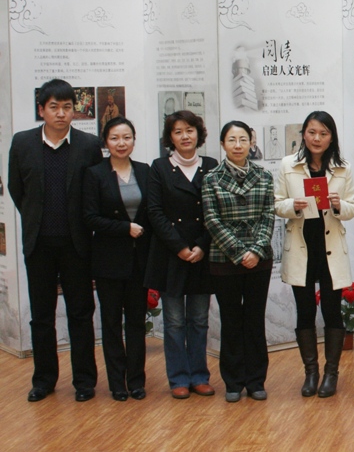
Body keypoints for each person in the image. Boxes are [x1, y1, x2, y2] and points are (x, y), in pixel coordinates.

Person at [8, 79, 103, 403]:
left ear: (74, 111)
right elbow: (17, 189)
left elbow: (95, 192)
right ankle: (44, 380)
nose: (61, 113)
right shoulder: (23, 143)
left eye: (67, 107)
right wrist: (36, 218)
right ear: (41, 110)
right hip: (39, 244)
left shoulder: (88, 145)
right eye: (54, 107)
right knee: (41, 316)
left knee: (81, 313)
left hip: (77, 244)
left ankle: (84, 381)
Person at [275, 111, 354, 398]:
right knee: (305, 311)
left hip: (330, 249)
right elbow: (277, 204)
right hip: (302, 247)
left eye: (323, 133)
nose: (317, 138)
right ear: (304, 135)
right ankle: (311, 373)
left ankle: (331, 373)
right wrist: (293, 205)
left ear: (331, 137)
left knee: (332, 311)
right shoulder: (288, 165)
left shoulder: (343, 168)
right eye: (312, 132)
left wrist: (338, 205)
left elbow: (353, 208)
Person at [145, 110, 217, 400]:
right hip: (170, 255)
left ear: (199, 134)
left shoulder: (210, 166)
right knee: (174, 322)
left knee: (199, 320)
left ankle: (199, 376)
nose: (185, 136)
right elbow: (154, 212)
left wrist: (201, 246)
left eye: (190, 130)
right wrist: (180, 247)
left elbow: (215, 210)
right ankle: (178, 378)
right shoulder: (159, 167)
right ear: (170, 138)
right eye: (178, 131)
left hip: (202, 253)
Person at [203, 121, 274, 402]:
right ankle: (233, 382)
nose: (237, 145)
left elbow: (268, 216)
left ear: (251, 143)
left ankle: (256, 380)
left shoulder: (264, 176)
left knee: (255, 320)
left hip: (259, 260)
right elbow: (211, 219)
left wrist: (255, 251)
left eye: (243, 139)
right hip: (224, 259)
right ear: (222, 144)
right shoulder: (211, 178)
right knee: (231, 320)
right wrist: (239, 252)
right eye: (231, 140)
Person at [82, 116, 151, 402]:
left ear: (134, 140)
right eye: (114, 138)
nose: (121, 143)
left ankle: (136, 381)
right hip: (108, 261)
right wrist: (125, 228)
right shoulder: (95, 174)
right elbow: (89, 218)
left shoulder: (145, 171)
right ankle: (117, 383)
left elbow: (152, 212)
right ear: (105, 142)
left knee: (136, 323)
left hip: (139, 262)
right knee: (111, 324)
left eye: (126, 137)